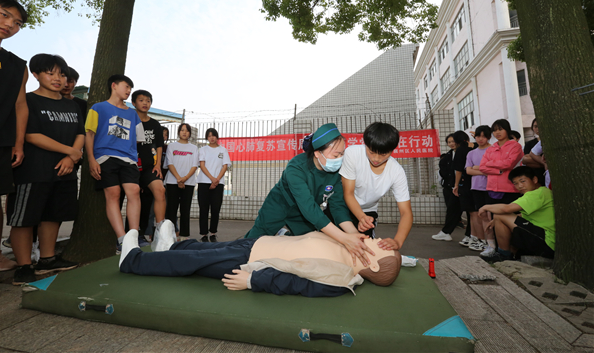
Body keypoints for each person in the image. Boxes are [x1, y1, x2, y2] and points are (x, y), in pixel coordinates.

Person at [119, 221, 402, 297]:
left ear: (373, 265)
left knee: (193, 262)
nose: (379, 241)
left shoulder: (340, 277)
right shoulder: (351, 250)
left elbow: (296, 284)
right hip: (259, 244)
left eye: (382, 247)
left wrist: (255, 280)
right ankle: (169, 247)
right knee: (201, 252)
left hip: (252, 262)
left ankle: (132, 260)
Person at [245, 123, 375, 266]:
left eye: (342, 153)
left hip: (303, 215)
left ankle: (283, 237)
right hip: (280, 206)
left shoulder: (337, 172)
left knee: (304, 246)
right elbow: (309, 208)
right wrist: (344, 238)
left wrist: (352, 233)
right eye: (336, 154)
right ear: (317, 153)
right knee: (253, 243)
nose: (340, 158)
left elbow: (338, 206)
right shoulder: (296, 168)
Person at [6, 54, 83, 285]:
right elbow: (30, 135)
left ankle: (47, 260)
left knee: (53, 215)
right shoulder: (28, 101)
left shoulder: (71, 104)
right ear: (36, 74)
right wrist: (70, 152)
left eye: (61, 74)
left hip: (64, 172)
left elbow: (80, 133)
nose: (58, 78)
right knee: (24, 219)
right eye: (50, 73)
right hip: (33, 171)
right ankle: (23, 267)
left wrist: (72, 157)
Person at [85, 74, 145, 251]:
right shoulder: (98, 108)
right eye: (126, 87)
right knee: (113, 193)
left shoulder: (133, 114)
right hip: (104, 157)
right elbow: (89, 134)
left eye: (130, 89)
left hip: (128, 159)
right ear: (114, 86)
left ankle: (133, 236)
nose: (128, 91)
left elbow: (139, 139)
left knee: (134, 191)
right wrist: (91, 160)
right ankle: (122, 240)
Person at [339, 122, 413, 250]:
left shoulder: (397, 171)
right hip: (342, 207)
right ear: (365, 145)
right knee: (335, 246)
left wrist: (398, 241)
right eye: (372, 152)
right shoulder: (353, 154)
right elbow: (348, 193)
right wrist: (360, 217)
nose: (376, 159)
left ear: (392, 150)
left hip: (368, 212)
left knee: (366, 250)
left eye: (383, 154)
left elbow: (406, 212)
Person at [0, 0, 28, 272]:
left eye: (16, 22)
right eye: (3, 14)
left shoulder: (18, 65)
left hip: (1, 142)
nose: (9, 25)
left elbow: (20, 105)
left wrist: (19, 143)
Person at [478, 166, 555, 262]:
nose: (520, 186)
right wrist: (496, 221)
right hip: (545, 240)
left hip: (547, 241)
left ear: (534, 179)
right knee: (501, 219)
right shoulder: (542, 191)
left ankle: (504, 255)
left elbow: (507, 209)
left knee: (499, 215)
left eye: (523, 181)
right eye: (516, 183)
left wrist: (485, 207)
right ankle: (510, 253)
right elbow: (524, 215)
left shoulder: (538, 193)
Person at [478, 119, 524, 258]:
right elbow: (482, 167)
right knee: (495, 221)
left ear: (507, 130)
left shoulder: (515, 146)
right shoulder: (491, 148)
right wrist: (498, 170)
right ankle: (499, 250)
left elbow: (509, 164)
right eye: (495, 130)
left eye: (500, 129)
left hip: (510, 189)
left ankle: (513, 251)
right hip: (492, 189)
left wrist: (491, 163)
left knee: (512, 221)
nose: (497, 132)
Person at [130, 90, 166, 242]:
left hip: (149, 168)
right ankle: (132, 233)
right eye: (141, 100)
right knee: (134, 196)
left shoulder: (155, 124)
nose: (145, 103)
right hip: (131, 166)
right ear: (133, 103)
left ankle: (160, 231)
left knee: (160, 190)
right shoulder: (129, 120)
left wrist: (157, 164)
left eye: (148, 101)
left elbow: (159, 145)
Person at [164, 123, 199, 238]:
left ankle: (184, 236)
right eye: (182, 130)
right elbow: (170, 163)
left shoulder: (194, 148)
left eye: (187, 130)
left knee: (185, 210)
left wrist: (184, 179)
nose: (184, 132)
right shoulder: (171, 146)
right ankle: (169, 236)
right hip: (172, 182)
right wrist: (178, 179)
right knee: (171, 210)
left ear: (190, 133)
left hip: (188, 183)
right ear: (179, 132)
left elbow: (195, 165)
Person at [197, 128, 231, 242]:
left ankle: (213, 233)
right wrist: (212, 179)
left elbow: (225, 166)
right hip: (203, 182)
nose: (212, 138)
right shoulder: (203, 150)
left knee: (215, 209)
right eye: (209, 136)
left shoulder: (223, 150)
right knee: (204, 209)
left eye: (214, 135)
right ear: (207, 137)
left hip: (218, 183)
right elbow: (202, 165)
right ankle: (203, 234)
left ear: (217, 137)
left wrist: (216, 180)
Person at [464, 125, 492, 251]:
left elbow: (493, 170)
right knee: (481, 215)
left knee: (491, 216)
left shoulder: (493, 150)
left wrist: (477, 167)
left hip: (492, 187)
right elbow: (468, 171)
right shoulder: (471, 153)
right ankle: (481, 241)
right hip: (476, 187)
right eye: (478, 136)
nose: (480, 139)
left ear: (488, 137)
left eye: (484, 136)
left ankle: (492, 242)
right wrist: (483, 170)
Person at [432, 134, 462, 241]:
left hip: (462, 187)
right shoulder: (447, 157)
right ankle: (446, 232)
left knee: (469, 212)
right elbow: (443, 171)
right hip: (449, 187)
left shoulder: (464, 152)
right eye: (449, 142)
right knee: (451, 209)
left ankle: (470, 235)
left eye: (453, 141)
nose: (451, 144)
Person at [451, 131, 476, 246]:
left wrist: (456, 185)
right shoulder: (475, 146)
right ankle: (473, 236)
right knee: (476, 211)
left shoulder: (461, 150)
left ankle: (471, 236)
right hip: (478, 182)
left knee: (470, 211)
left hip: (466, 183)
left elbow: (459, 170)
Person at [521, 118, 546, 186]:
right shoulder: (529, 144)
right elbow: (526, 161)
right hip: (536, 175)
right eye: (535, 126)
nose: (538, 128)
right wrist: (545, 163)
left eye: (540, 126)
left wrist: (535, 159)